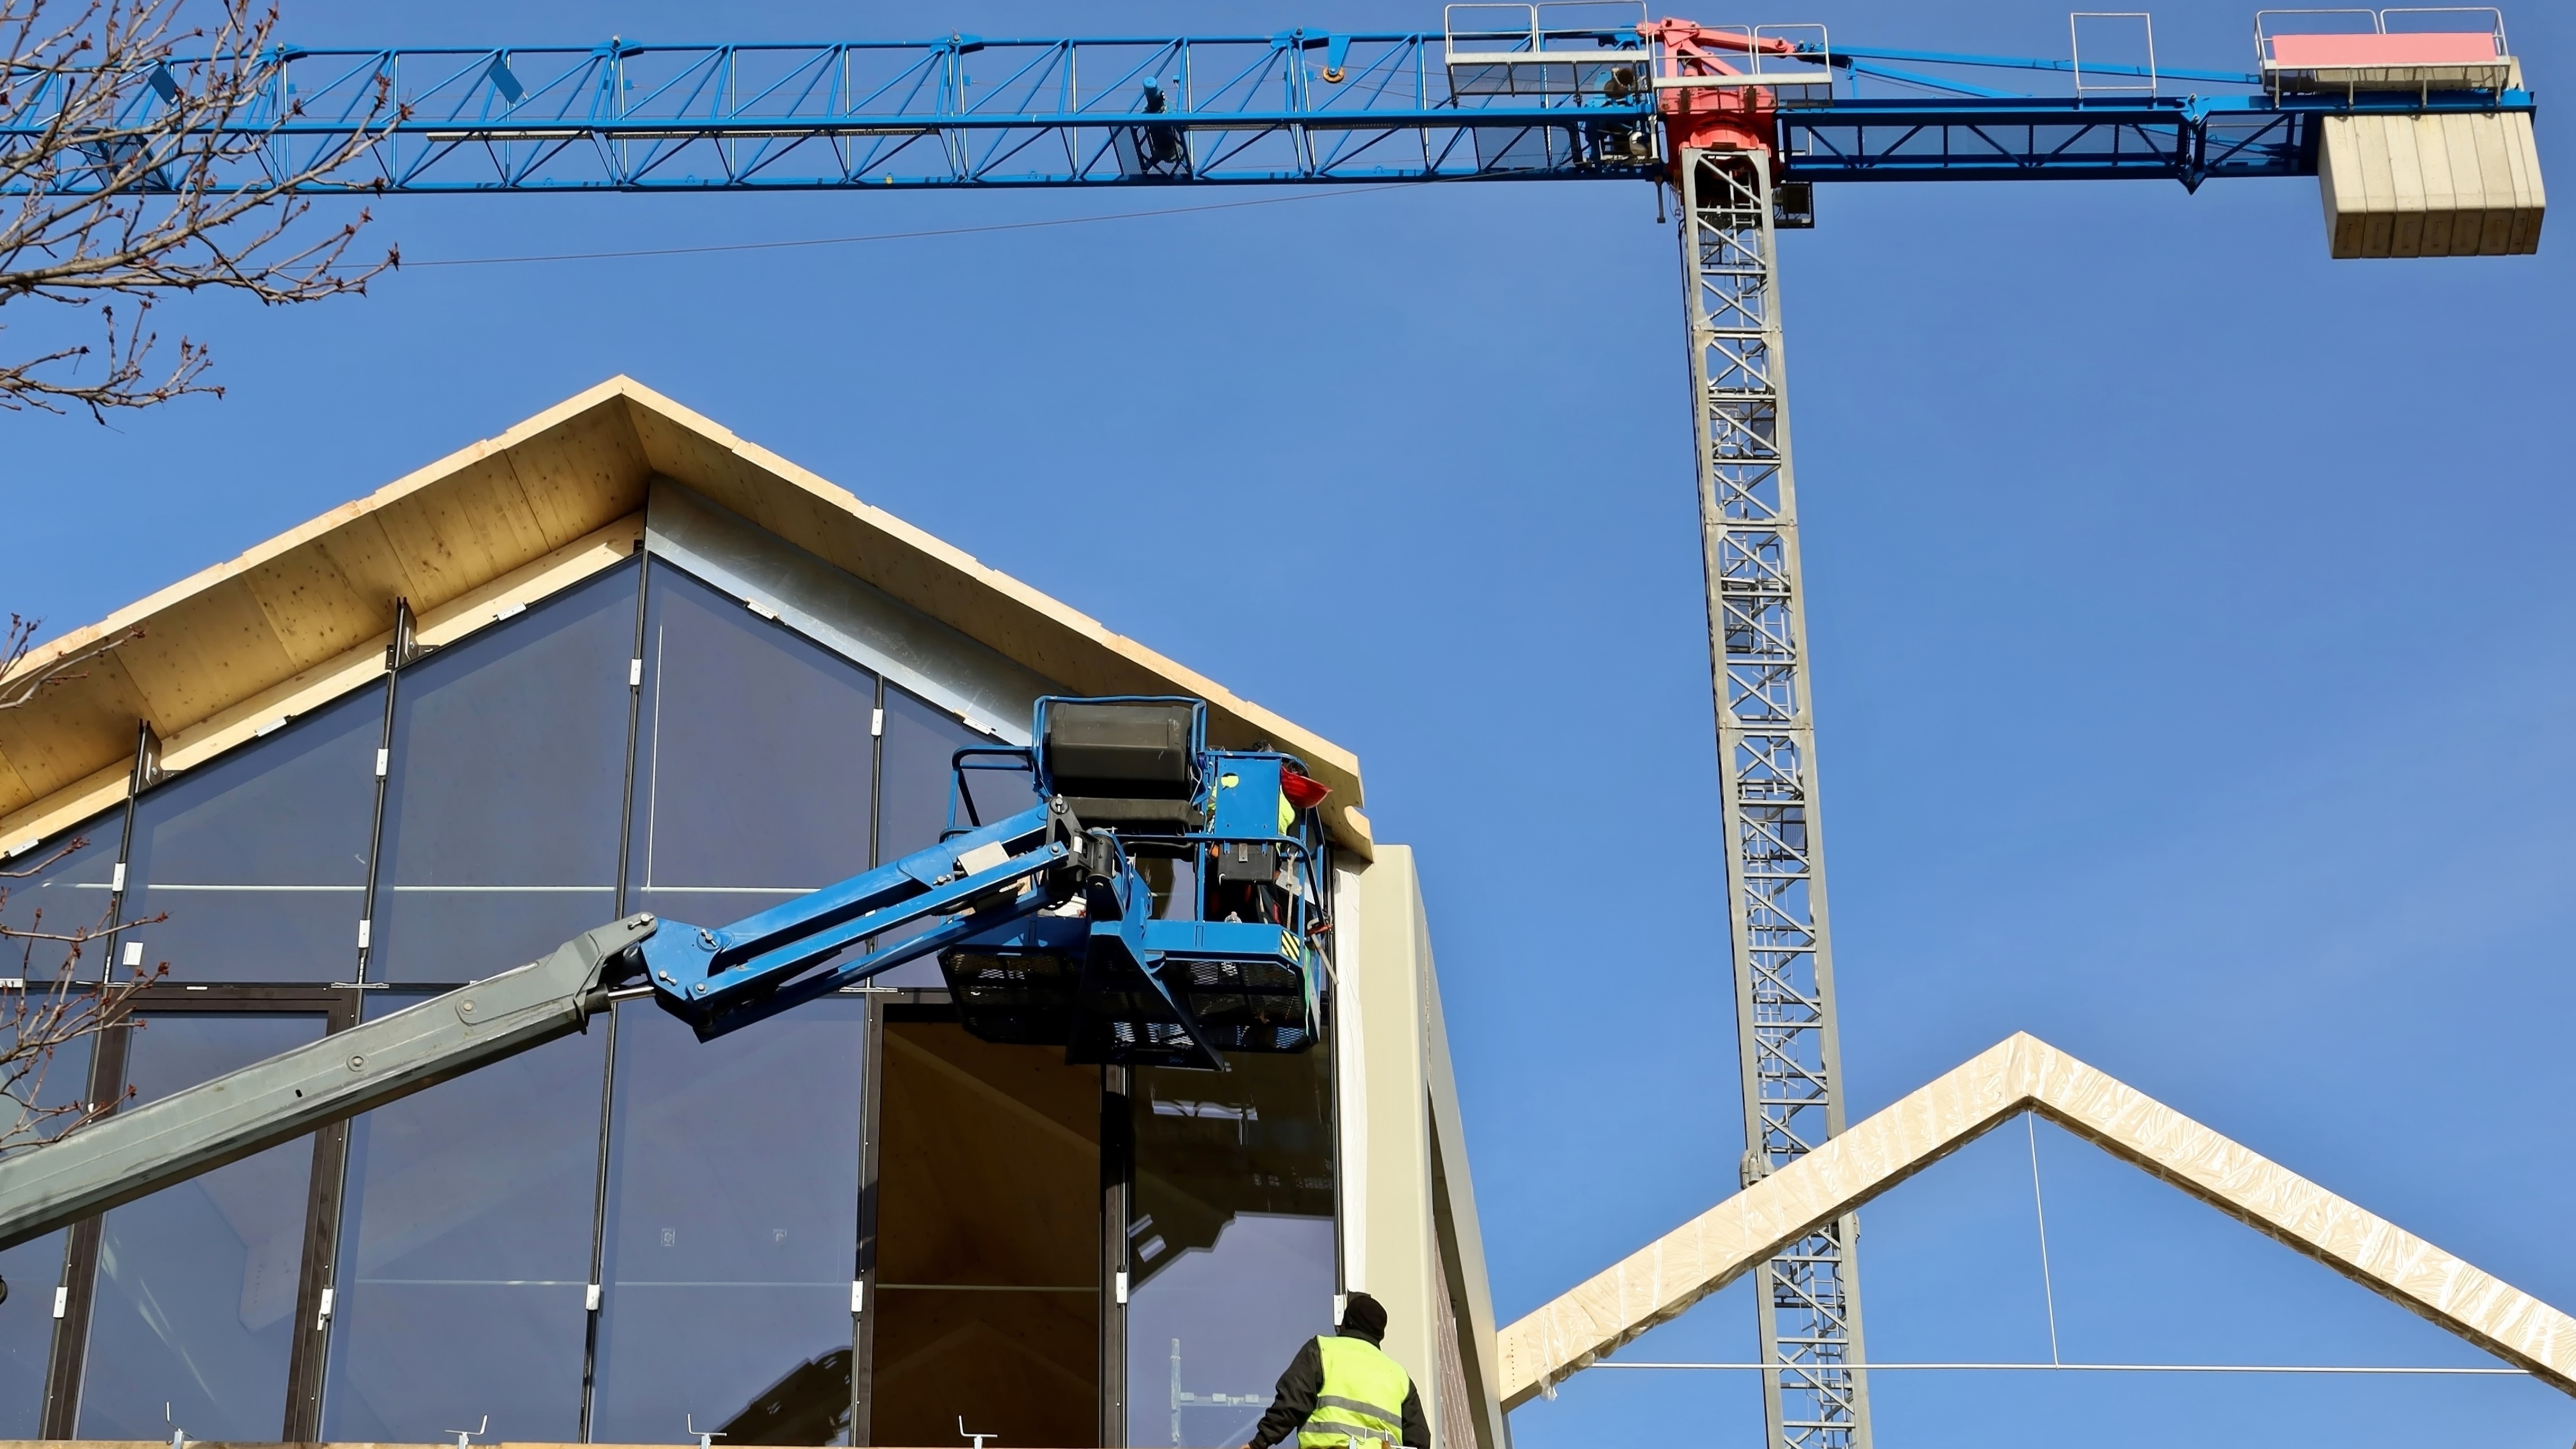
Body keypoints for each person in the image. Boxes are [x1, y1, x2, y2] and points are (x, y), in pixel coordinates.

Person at [1242, 1291, 1433, 1449]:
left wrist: (1258, 1444)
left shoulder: (1322, 1350)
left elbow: (1292, 1402)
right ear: (1379, 1335)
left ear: (1346, 1322)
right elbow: (1419, 1440)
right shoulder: (1399, 1376)